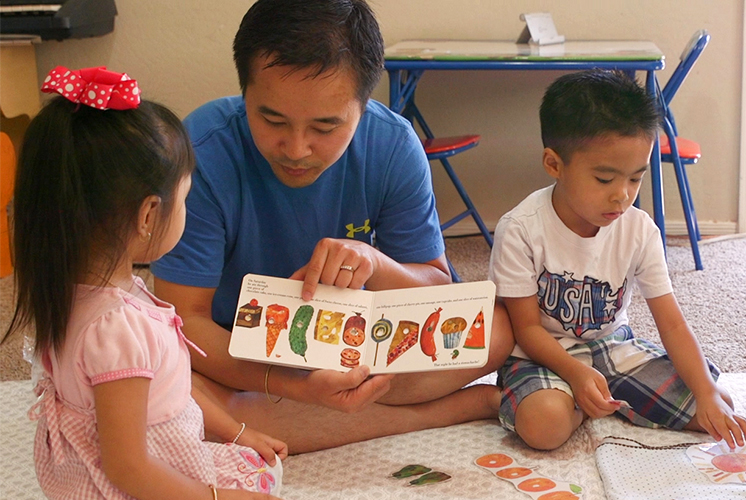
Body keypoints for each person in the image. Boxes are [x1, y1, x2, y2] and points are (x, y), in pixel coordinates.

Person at [151, 0, 514, 453]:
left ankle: (305, 413)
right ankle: (439, 413)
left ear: (364, 107)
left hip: (349, 343)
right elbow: (184, 319)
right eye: (271, 119)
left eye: (325, 126)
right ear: (243, 93)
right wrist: (296, 386)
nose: (297, 149)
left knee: (495, 327)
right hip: (236, 356)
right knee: (166, 392)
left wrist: (373, 262)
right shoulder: (203, 149)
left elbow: (435, 287)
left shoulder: (393, 145)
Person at [4, 66, 286, 499]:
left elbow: (170, 384)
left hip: (147, 460)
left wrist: (237, 432)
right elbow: (128, 468)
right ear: (149, 214)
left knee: (253, 464)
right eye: (186, 198)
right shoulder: (116, 329)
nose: (186, 210)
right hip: (134, 485)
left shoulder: (78, 291)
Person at [489, 69, 746, 451]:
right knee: (545, 426)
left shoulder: (640, 230)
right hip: (541, 355)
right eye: (605, 179)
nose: (622, 197)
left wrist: (705, 391)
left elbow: (672, 325)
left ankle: (598, 399)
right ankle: (586, 403)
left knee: (715, 402)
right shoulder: (521, 228)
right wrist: (576, 374)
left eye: (635, 179)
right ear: (554, 164)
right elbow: (526, 329)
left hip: (612, 347)